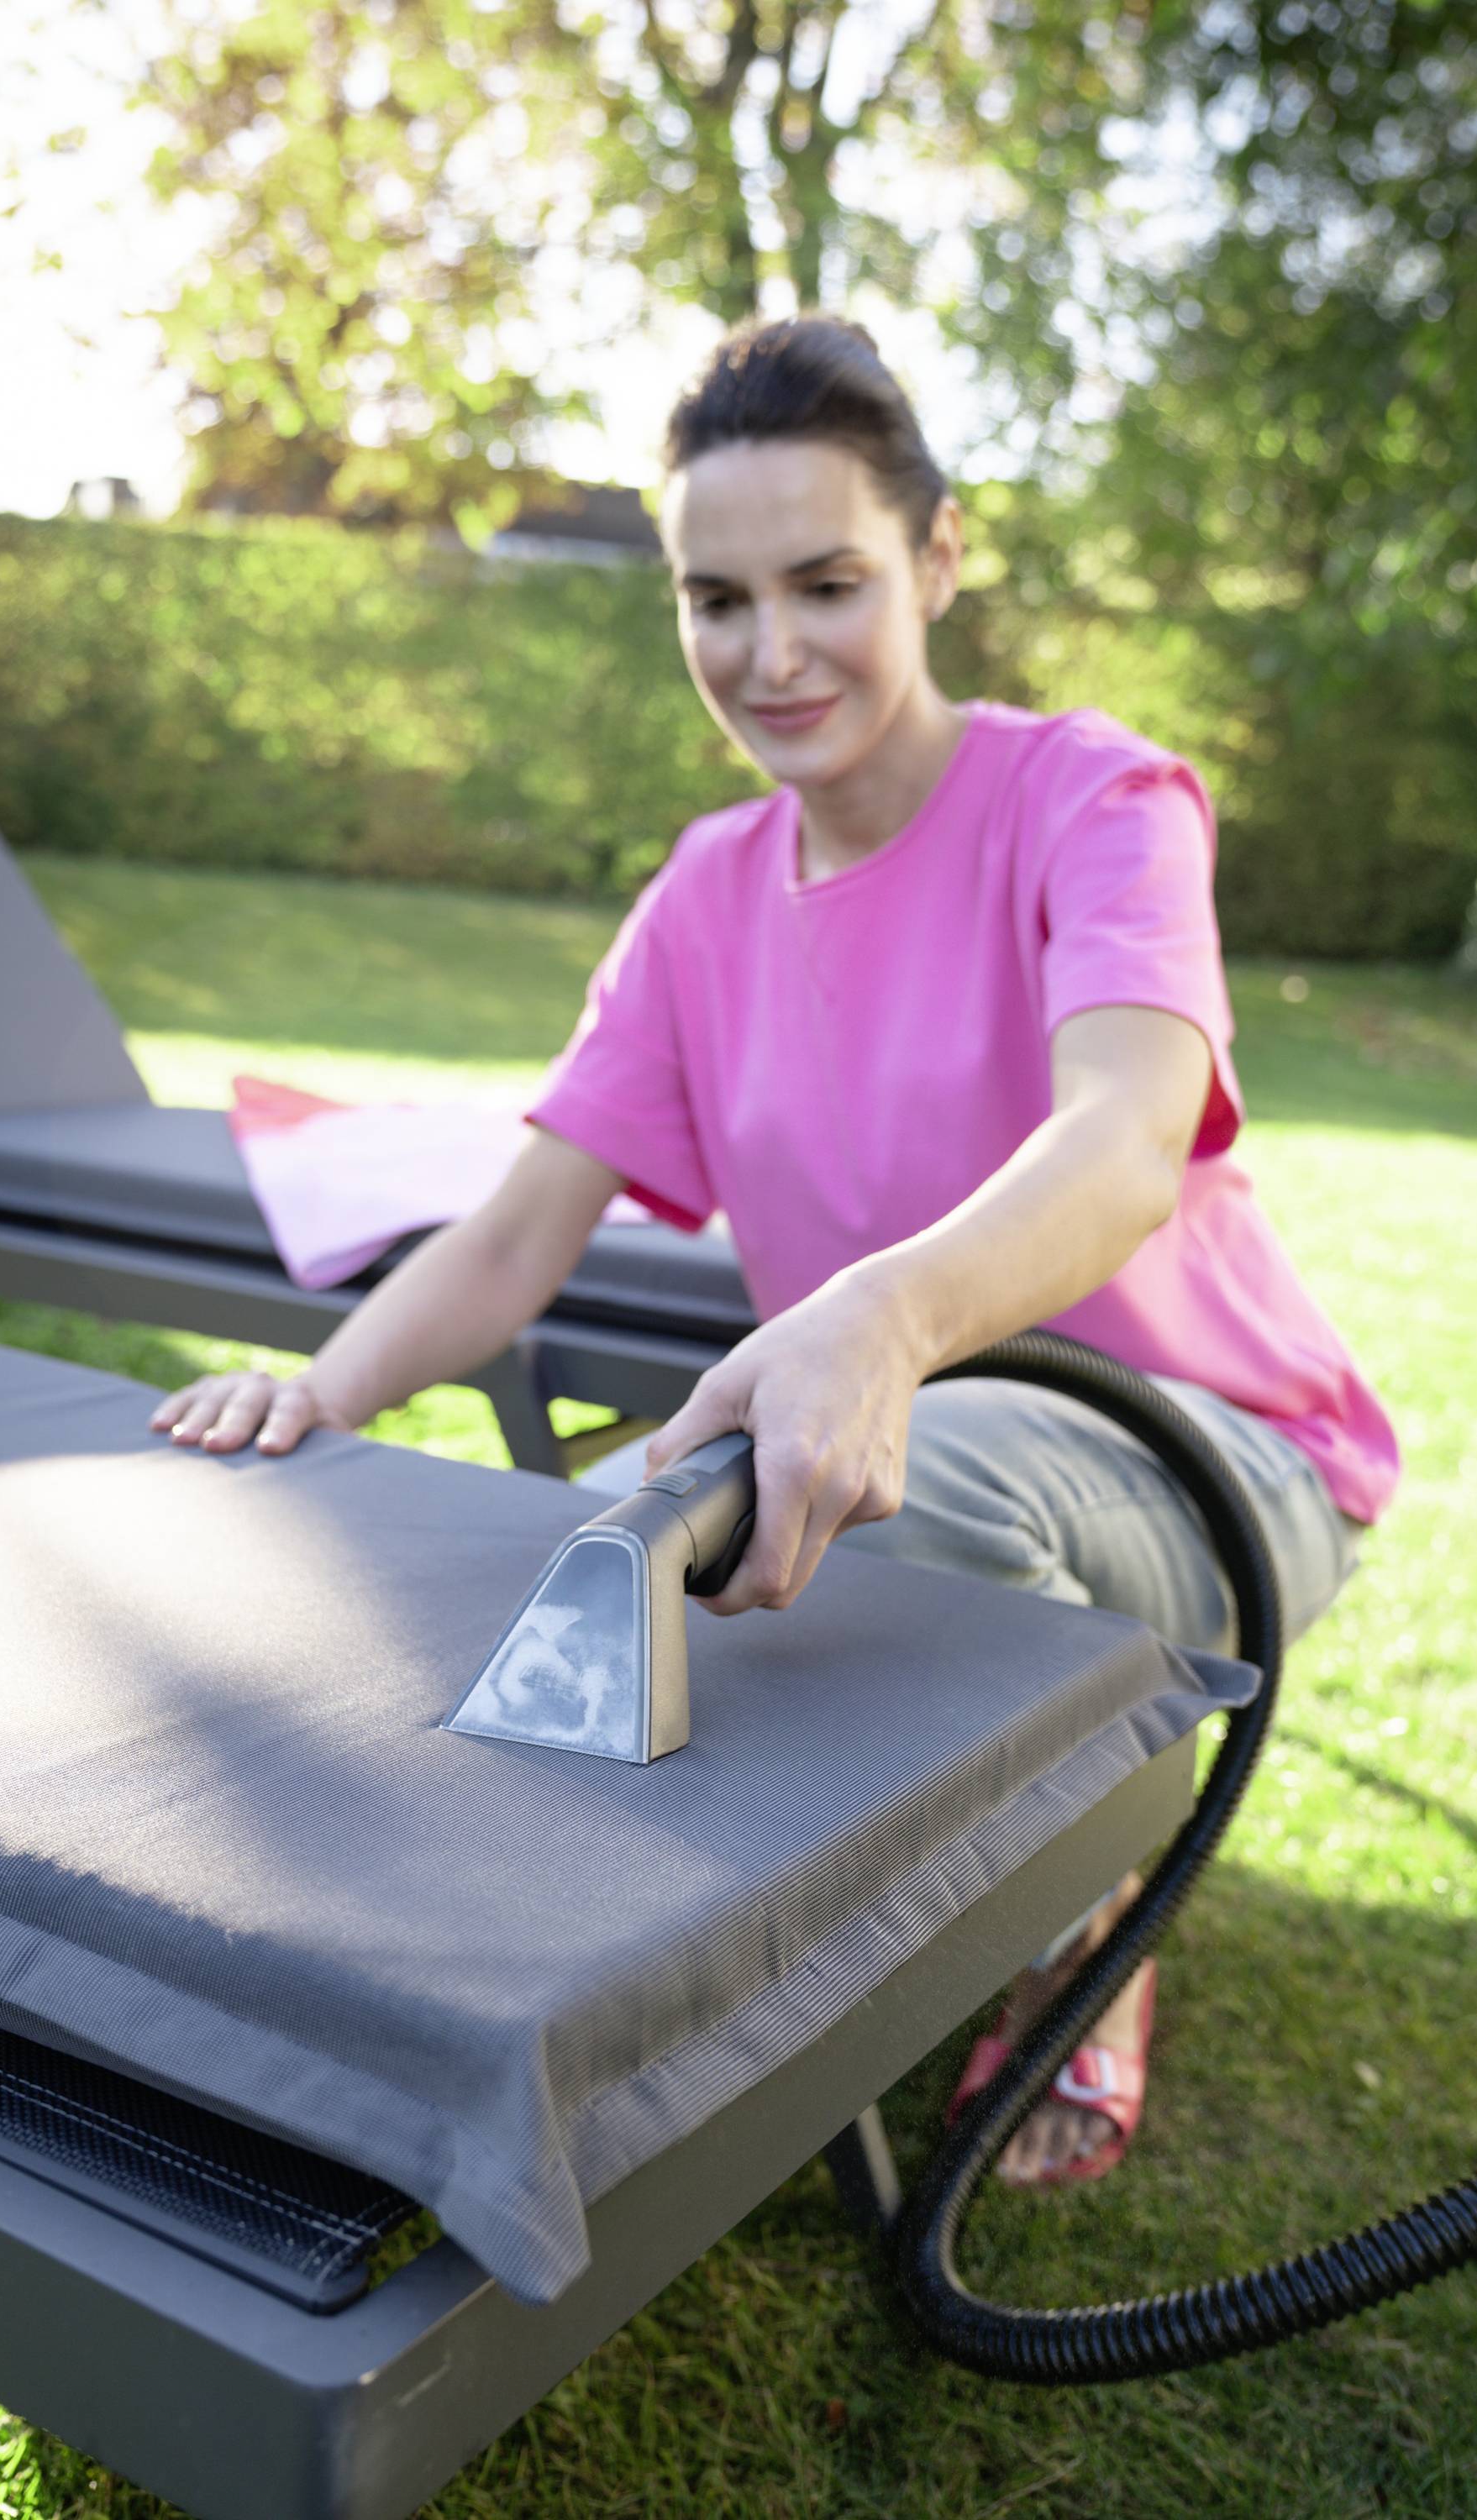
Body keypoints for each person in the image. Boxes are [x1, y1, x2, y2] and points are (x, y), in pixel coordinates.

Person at [150, 315, 1399, 2187]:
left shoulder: (1093, 801)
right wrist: (316, 1392)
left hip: (1217, 1459)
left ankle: (1083, 1910)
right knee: (660, 1531)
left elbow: (1129, 1138)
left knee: (889, 1487)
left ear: (939, 559)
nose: (771, 654)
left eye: (827, 584)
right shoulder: (703, 895)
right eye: (715, 601)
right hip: (900, 1430)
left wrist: (879, 1322)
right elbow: (515, 1234)